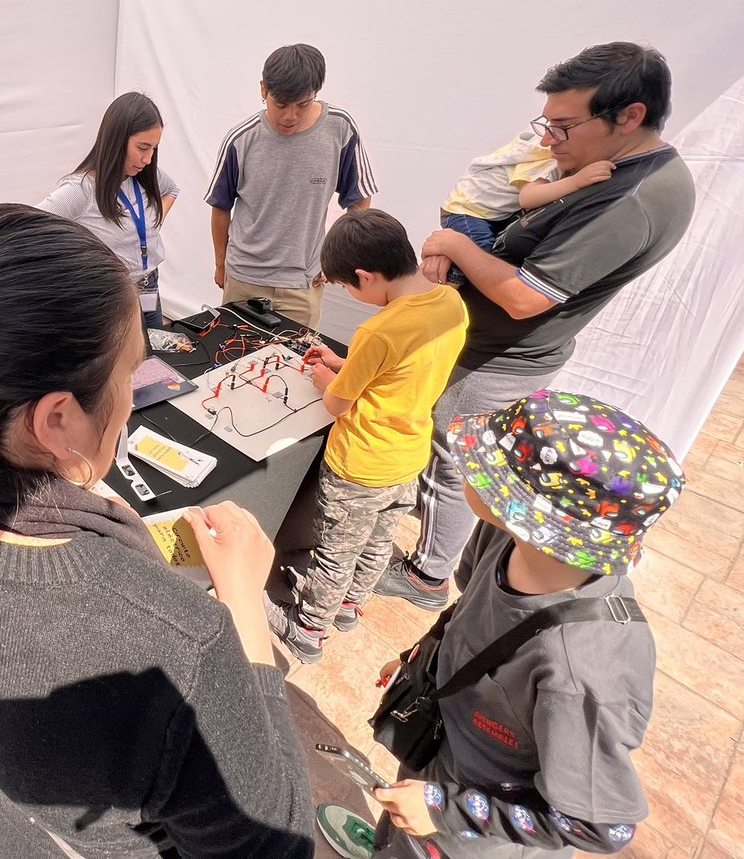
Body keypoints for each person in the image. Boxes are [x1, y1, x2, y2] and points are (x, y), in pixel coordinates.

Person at [0, 204, 316, 857]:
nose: (133, 396)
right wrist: (243, 600)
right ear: (55, 421)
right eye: (129, 373)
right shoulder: (182, 647)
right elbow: (277, 843)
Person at [376, 41, 696, 611]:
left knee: (454, 464)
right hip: (497, 344)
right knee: (474, 465)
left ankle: (428, 577)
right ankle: (459, 566)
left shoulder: (635, 202)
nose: (550, 141)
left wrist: (452, 242)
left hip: (500, 352)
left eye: (565, 127)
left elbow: (525, 297)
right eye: (546, 125)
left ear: (630, 116)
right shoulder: (616, 171)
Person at [321, 390, 682, 857]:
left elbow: (602, 828)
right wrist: (426, 656)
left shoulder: (581, 671)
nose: (467, 463)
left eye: (490, 467)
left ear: (535, 517)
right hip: (441, 750)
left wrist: (444, 808)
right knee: (399, 830)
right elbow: (472, 606)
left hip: (478, 830)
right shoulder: (505, 534)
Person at [263, 210, 467, 664]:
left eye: (347, 288)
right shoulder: (451, 304)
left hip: (361, 462)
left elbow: (339, 404)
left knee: (336, 551)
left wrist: (325, 378)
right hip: (409, 455)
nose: (352, 297)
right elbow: (399, 374)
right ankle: (351, 608)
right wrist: (343, 363)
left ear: (365, 277)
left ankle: (308, 630)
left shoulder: (378, 330)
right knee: (378, 540)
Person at [206, 44, 376, 328]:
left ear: (315, 94)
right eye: (281, 104)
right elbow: (220, 207)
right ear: (264, 90)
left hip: (303, 285)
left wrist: (336, 257)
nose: (290, 116)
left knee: (295, 367)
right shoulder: (241, 139)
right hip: (244, 280)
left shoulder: (340, 129)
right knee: (234, 363)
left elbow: (359, 201)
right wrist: (221, 265)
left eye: (302, 104)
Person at [37, 92, 179, 328]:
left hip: (149, 287)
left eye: (154, 148)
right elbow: (30, 225)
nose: (148, 158)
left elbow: (172, 189)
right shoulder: (82, 189)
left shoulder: (145, 176)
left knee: (156, 357)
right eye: (143, 147)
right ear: (116, 139)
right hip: (110, 298)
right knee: (119, 363)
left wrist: (152, 224)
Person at [436, 131, 615, 261]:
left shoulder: (540, 152)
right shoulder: (547, 160)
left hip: (476, 210)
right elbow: (529, 198)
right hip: (467, 211)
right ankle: (452, 284)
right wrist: (577, 181)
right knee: (480, 255)